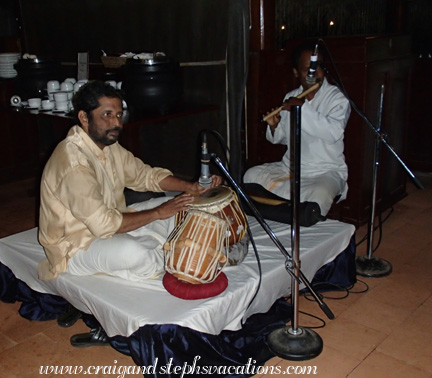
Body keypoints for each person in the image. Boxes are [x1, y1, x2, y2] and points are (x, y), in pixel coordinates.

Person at [37, 80, 222, 344]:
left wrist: (190, 187)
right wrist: (158, 214)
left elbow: (144, 176)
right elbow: (103, 224)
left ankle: (151, 247)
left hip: (113, 222)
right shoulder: (73, 161)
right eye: (107, 115)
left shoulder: (107, 146)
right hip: (75, 246)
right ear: (84, 118)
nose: (116, 123)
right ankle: (102, 308)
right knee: (138, 254)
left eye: (119, 115)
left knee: (186, 208)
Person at [243, 41, 351, 217]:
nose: (313, 75)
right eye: (306, 70)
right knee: (251, 176)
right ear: (296, 72)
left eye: (317, 68)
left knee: (319, 195)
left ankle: (299, 220)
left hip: (325, 170)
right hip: (290, 168)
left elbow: (333, 133)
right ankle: (284, 217)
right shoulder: (291, 97)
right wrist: (274, 126)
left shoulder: (337, 99)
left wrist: (302, 108)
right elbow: (283, 138)